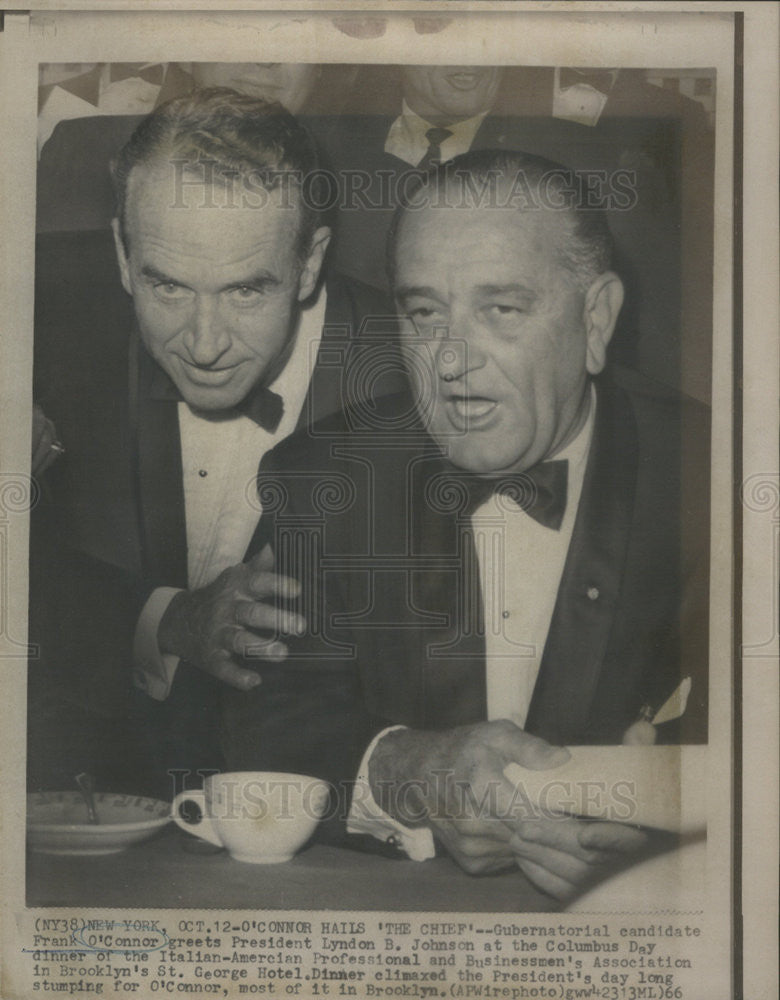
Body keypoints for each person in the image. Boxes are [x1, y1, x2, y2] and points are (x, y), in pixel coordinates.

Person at [209, 149, 709, 900]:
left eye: (501, 310)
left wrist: (670, 811)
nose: (451, 360)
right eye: (424, 313)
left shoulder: (714, 478)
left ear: (596, 318)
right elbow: (256, 724)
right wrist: (401, 769)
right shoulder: (325, 477)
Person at [28, 87, 403, 793]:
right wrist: (167, 620)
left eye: (245, 291)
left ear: (311, 261)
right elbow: (26, 576)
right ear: (121, 251)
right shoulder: (41, 338)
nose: (203, 345)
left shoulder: (418, 378)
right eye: (167, 287)